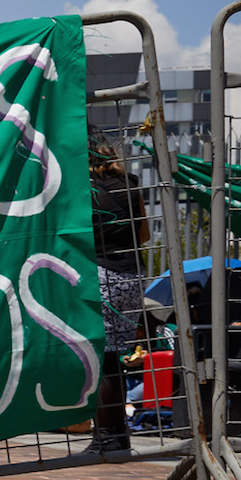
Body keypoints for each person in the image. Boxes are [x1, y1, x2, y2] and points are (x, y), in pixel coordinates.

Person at [89, 133, 147, 453]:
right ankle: (118, 434)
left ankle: (106, 437)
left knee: (103, 360)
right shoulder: (132, 184)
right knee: (116, 358)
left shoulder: (86, 190)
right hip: (133, 276)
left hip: (101, 274)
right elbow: (145, 234)